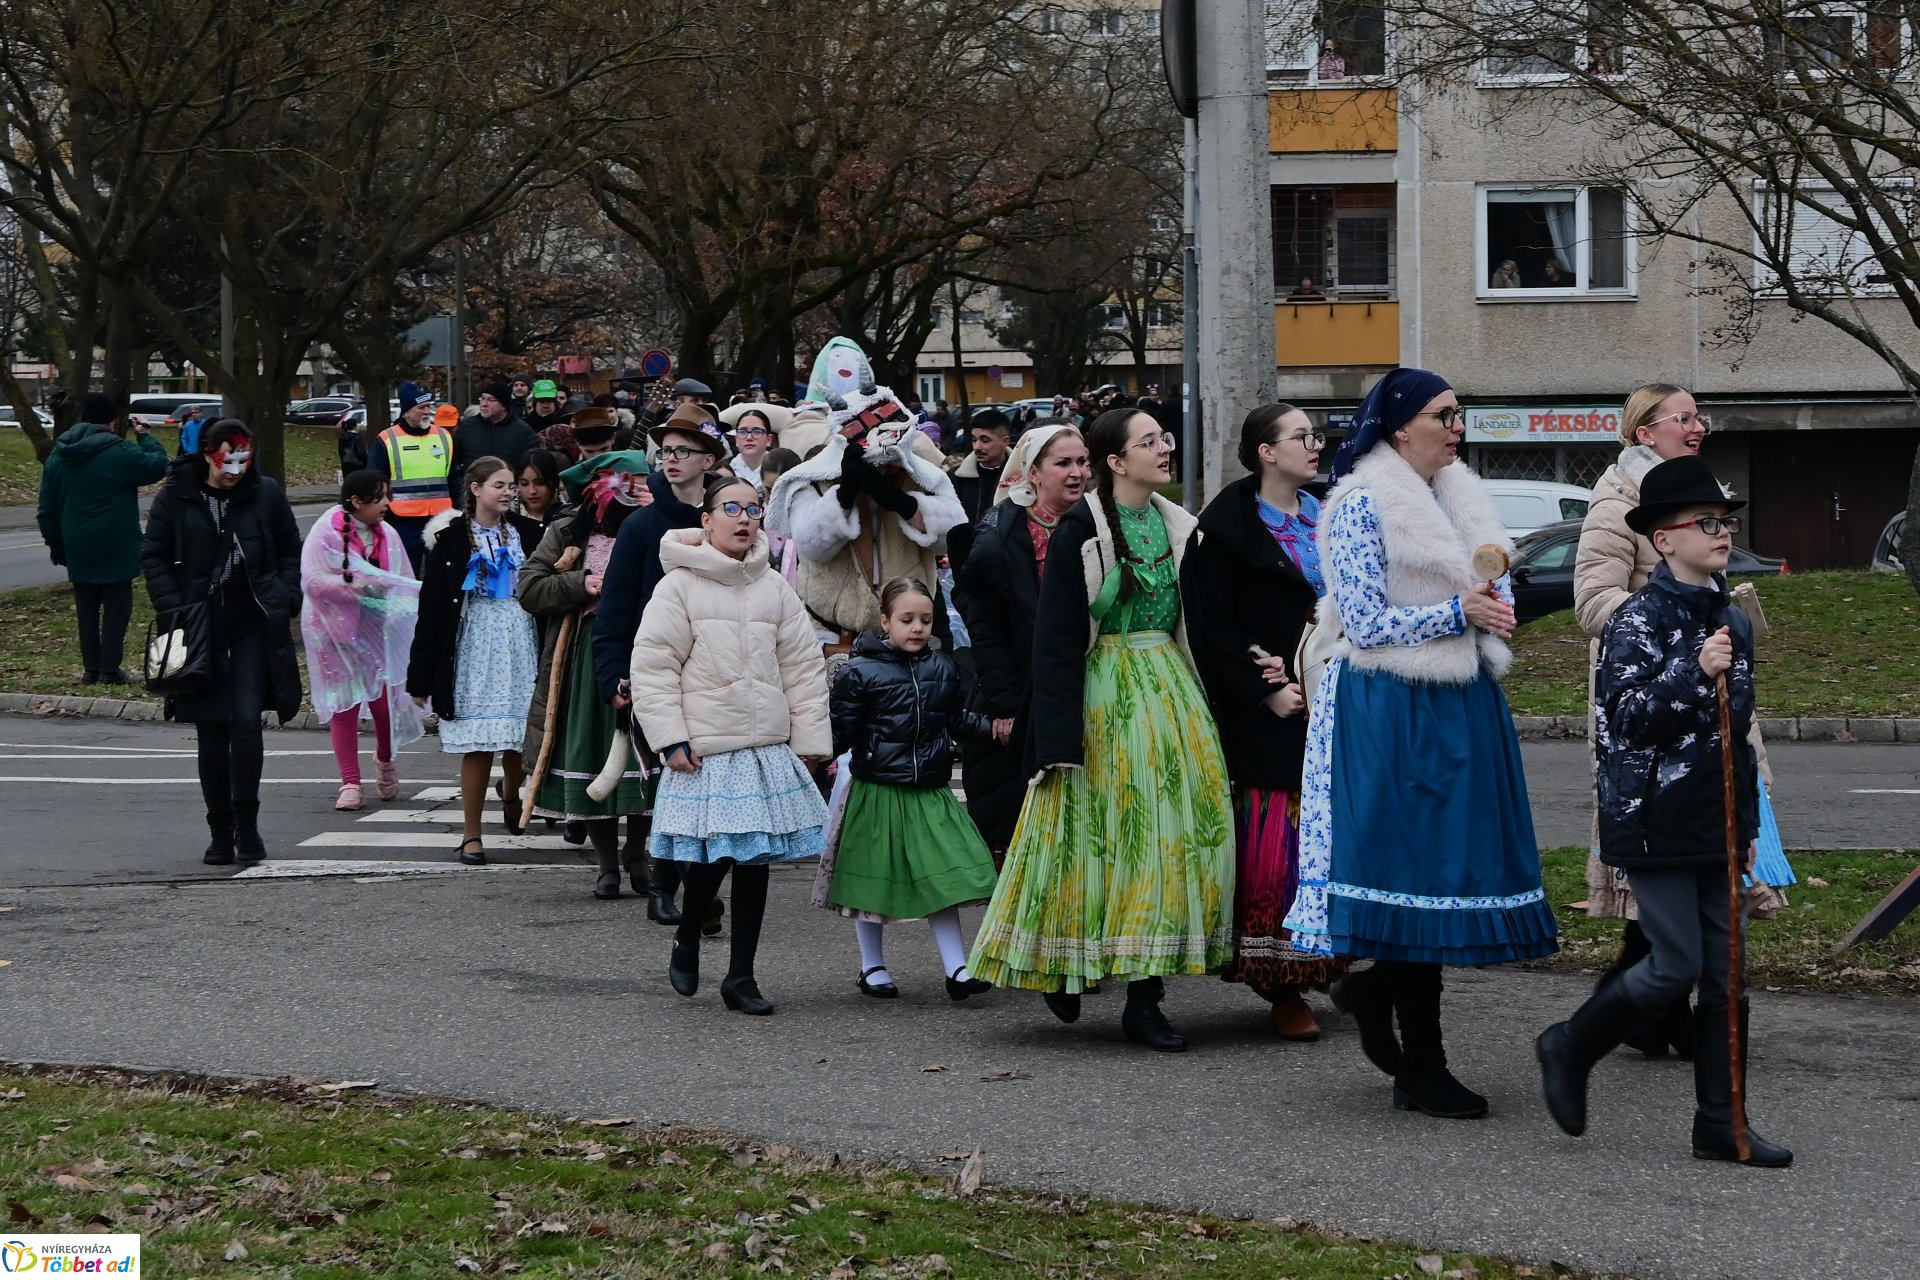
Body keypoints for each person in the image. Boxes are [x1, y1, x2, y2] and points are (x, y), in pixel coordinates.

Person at [1283, 368, 1559, 1118]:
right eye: (1444, 414)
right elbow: (1366, 625)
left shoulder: (1455, 496)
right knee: (1414, 871)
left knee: (1443, 873)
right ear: (1400, 426)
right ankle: (1422, 1064)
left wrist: (1489, 611)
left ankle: (1379, 998)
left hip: (1458, 700)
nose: (1456, 426)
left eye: (1459, 413)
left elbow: (1473, 599)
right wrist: (1457, 611)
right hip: (1389, 704)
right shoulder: (1358, 503)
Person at [1537, 454, 1791, 1168]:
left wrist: (1748, 828)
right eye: (1706, 523)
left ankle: (1722, 1122)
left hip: (1718, 820)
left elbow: (1734, 732)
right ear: (1663, 540)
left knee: (1726, 972)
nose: (1722, 533)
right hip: (1652, 819)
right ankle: (1571, 1042)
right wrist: (1692, 671)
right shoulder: (1636, 622)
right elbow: (1628, 719)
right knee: (1674, 963)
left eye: (1727, 522)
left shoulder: (1729, 620)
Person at [967, 408, 1235, 1053]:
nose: (1164, 448)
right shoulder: (1079, 531)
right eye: (1150, 442)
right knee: (1093, 843)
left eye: (1165, 438)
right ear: (1117, 462)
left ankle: (1146, 998)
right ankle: (1064, 960)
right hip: (1102, 694)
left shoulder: (1180, 528)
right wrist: (1055, 739)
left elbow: (1203, 623)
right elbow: (1055, 642)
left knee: (1168, 844)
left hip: (1171, 693)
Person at [1573, 385, 1790, 1059]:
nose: (1701, 426)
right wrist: (1670, 620)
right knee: (1666, 883)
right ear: (1646, 433)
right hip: (1658, 701)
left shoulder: (1707, 543)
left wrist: (1710, 610)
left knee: (1695, 900)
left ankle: (1692, 1059)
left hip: (1710, 699)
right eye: (1685, 417)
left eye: (1700, 416)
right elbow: (1594, 603)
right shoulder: (1618, 506)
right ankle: (1595, 1033)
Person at [631, 480, 832, 1016]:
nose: (743, 518)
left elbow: (804, 669)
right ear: (707, 520)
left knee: (755, 861)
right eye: (731, 508)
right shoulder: (678, 587)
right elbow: (653, 668)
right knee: (714, 856)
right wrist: (670, 738)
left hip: (764, 746)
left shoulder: (775, 589)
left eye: (753, 509)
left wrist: (811, 743)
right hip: (706, 749)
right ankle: (688, 937)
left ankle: (741, 976)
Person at [1181, 404, 1347, 1041]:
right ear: (1264, 452)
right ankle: (1281, 983)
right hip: (1275, 711)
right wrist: (1263, 689)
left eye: (1317, 435)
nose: (1315, 445)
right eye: (1301, 437)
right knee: (1283, 846)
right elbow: (1210, 624)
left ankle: (1338, 962)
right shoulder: (1224, 530)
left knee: (1339, 837)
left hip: (1340, 696)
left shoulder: (1331, 515)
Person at [814, 576, 1004, 1000]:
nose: (917, 628)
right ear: (885, 622)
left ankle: (957, 969)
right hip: (876, 789)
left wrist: (995, 729)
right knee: (870, 882)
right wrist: (811, 752)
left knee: (945, 878)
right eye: (906, 619)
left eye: (925, 619)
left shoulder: (943, 667)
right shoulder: (859, 672)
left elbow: (956, 720)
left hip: (928, 790)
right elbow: (840, 732)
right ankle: (872, 966)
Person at [141, 420, 303, 865]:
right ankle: (219, 828)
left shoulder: (264, 492)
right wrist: (173, 606)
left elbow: (290, 548)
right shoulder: (176, 496)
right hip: (198, 626)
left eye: (242, 459)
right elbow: (153, 555)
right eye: (225, 459)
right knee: (212, 728)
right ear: (207, 453)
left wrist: (287, 596)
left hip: (252, 620)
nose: (234, 469)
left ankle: (247, 822)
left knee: (247, 722)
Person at [591, 403, 727, 923]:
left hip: (719, 674)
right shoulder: (641, 526)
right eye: (665, 450)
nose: (670, 459)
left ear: (709, 458)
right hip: (661, 673)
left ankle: (674, 884)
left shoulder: (728, 517)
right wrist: (613, 678)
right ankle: (679, 889)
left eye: (683, 450)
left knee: (708, 785)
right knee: (679, 779)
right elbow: (617, 613)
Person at [766, 338, 966, 652]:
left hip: (911, 636)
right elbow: (810, 545)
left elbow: (953, 535)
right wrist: (845, 494)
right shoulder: (813, 479)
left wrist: (901, 502)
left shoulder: (920, 474)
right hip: (833, 637)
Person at [520, 451, 655, 898]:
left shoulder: (658, 523)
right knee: (594, 752)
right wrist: (580, 585)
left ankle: (638, 854)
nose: (628, 489)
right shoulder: (568, 530)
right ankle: (606, 864)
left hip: (650, 650)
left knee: (646, 753)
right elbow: (530, 587)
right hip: (586, 656)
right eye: (619, 481)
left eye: (637, 480)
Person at [955, 422, 1089, 855]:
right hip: (1023, 685)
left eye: (1083, 462)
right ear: (1033, 472)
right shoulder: (1001, 536)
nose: (1077, 473)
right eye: (1063, 463)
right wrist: (1005, 704)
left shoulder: (1097, 526)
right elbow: (986, 627)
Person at [407, 456, 542, 865]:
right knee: (480, 744)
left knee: (520, 735)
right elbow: (431, 611)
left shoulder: (528, 533)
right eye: (499, 485)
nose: (508, 492)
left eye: (511, 485)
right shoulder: (449, 539)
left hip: (521, 636)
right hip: (474, 643)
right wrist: (420, 679)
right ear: (476, 488)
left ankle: (514, 794)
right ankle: (471, 834)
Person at [300, 470, 424, 812]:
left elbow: (401, 581)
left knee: (383, 704)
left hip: (376, 632)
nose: (387, 503)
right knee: (345, 705)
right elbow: (312, 581)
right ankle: (350, 782)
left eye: (388, 495)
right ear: (356, 502)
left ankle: (385, 759)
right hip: (334, 633)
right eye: (380, 497)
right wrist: (358, 586)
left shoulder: (388, 536)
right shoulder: (326, 532)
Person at [38, 392, 169, 685]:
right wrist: (145, 435)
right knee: (116, 609)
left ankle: (90, 670)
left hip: (77, 544)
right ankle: (110, 669)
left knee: (86, 610)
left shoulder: (59, 456)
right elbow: (158, 464)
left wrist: (57, 545)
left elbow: (46, 509)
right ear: (113, 421)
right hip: (116, 543)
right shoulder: (120, 453)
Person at [372, 393, 456, 571]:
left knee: (441, 577)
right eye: (421, 408)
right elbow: (375, 481)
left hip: (440, 519)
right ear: (406, 412)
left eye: (429, 406)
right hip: (402, 521)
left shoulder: (444, 436)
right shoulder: (387, 439)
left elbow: (455, 477)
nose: (427, 412)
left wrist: (460, 511)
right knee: (405, 574)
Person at [947, 409, 1011, 579]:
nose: (977, 447)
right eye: (974, 439)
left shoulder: (1022, 479)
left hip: (1010, 572)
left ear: (1005, 441)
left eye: (985, 440)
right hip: (967, 572)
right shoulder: (956, 478)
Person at [450, 384, 539, 504]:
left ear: (504, 405)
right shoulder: (466, 427)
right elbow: (453, 466)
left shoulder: (523, 432)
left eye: (491, 400)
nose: (484, 404)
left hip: (507, 499)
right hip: (472, 498)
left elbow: (531, 468)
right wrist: (460, 493)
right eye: (482, 398)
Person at [722, 404, 786, 488]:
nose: (749, 437)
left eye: (757, 432)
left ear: (769, 439)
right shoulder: (724, 469)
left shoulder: (782, 469)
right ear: (736, 438)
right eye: (742, 432)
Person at [512, 448, 566, 532]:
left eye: (540, 483)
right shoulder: (507, 517)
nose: (532, 491)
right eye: (524, 484)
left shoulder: (567, 516)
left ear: (554, 482)